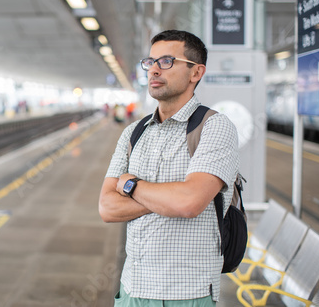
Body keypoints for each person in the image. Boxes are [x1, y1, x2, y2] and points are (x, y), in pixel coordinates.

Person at [99, 30, 239, 306]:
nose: (153, 69)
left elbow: (188, 203)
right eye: (150, 62)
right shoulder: (133, 133)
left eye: (166, 61)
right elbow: (107, 207)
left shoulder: (215, 127)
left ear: (195, 72)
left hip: (186, 293)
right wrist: (168, 198)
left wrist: (131, 186)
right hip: (131, 291)